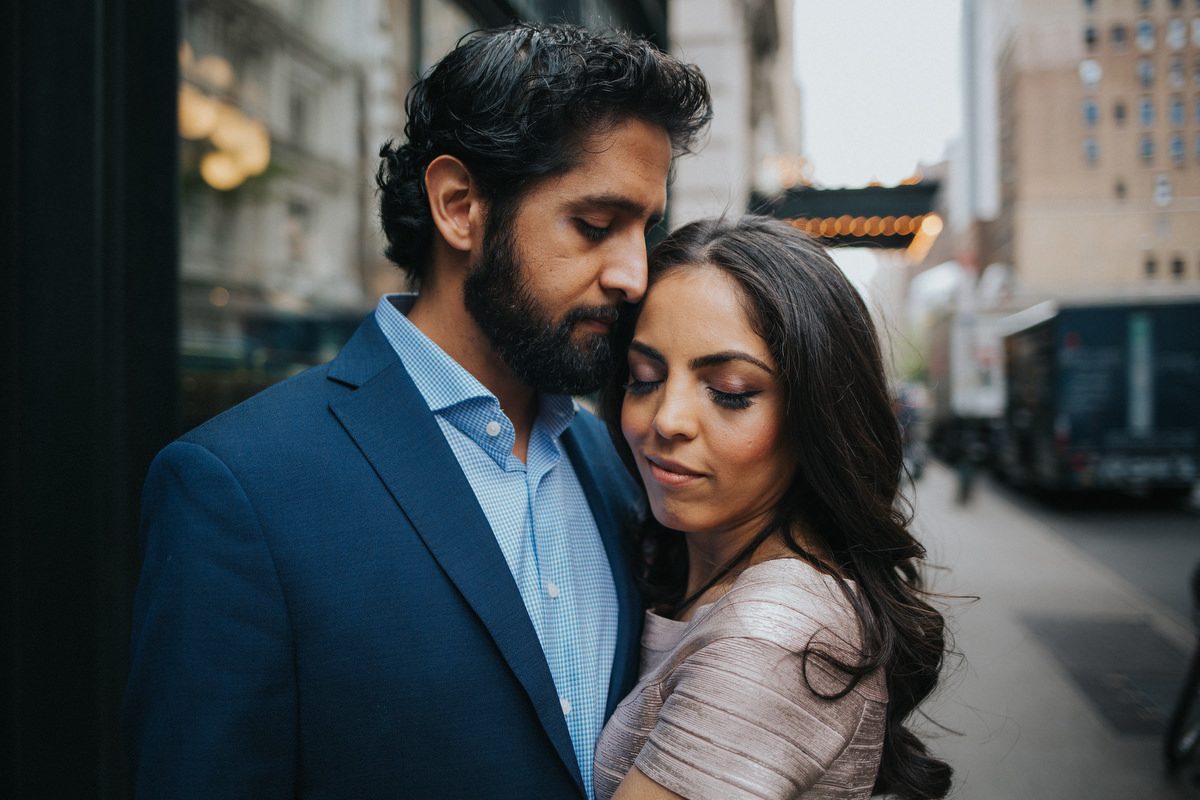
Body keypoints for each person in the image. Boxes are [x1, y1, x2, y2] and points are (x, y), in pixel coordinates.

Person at [124, 23, 710, 799]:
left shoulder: (613, 460)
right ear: (459, 205)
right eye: (596, 227)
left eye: (646, 230)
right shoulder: (239, 487)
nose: (634, 274)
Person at [594, 216, 952, 800]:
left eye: (730, 391)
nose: (666, 419)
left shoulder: (772, 640)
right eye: (644, 377)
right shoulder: (692, 577)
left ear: (815, 417)